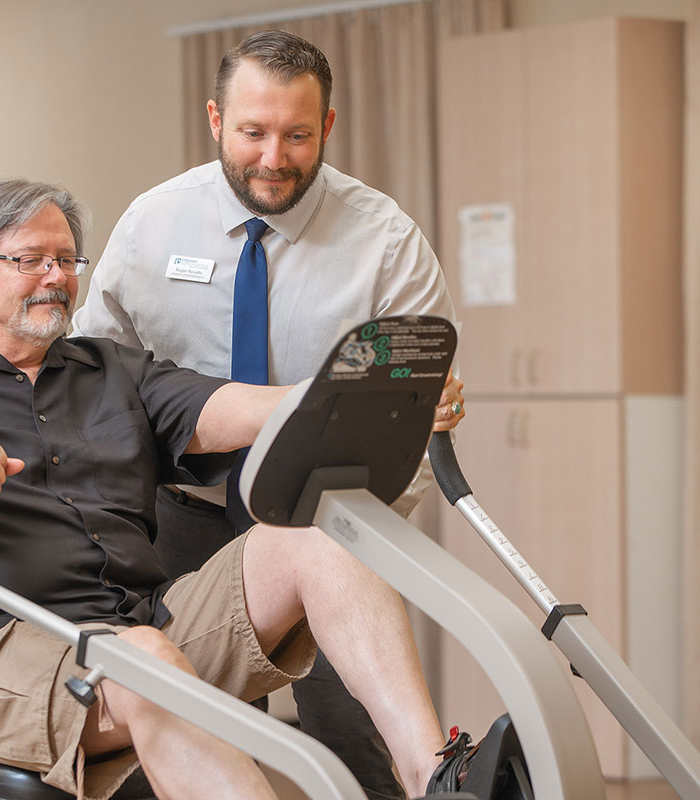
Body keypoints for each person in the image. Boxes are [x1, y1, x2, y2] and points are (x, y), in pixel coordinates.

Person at [0, 179, 454, 800]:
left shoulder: (112, 372)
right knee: (141, 663)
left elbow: (227, 407)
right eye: (30, 261)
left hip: (143, 626)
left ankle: (438, 776)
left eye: (67, 261)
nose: (56, 277)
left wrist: (365, 395)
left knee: (314, 537)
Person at [72, 30, 464, 800]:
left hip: (326, 512)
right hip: (181, 509)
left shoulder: (384, 240)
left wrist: (360, 527)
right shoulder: (153, 225)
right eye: (253, 132)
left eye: (296, 134)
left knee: (353, 736)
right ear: (216, 120)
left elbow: (414, 414)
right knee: (175, 727)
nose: (273, 158)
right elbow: (93, 379)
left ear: (329, 127)